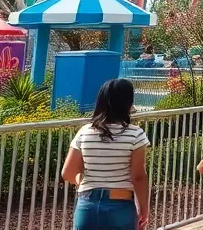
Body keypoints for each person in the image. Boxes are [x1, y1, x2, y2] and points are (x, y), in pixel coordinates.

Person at [61, 78, 150, 230]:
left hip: (87, 206)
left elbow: (67, 173)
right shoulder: (135, 134)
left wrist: (81, 180)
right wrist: (144, 210)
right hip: (120, 206)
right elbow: (138, 177)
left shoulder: (85, 132)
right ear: (128, 103)